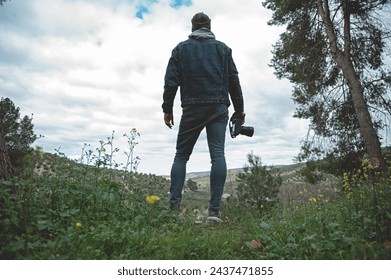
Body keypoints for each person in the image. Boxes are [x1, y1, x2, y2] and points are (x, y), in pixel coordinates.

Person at [162, 12, 246, 222]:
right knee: (217, 155)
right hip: (218, 107)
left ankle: (173, 208)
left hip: (192, 108)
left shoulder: (180, 49)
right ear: (209, 27)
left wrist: (167, 108)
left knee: (181, 156)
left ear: (192, 28)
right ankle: (214, 212)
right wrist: (239, 109)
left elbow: (171, 82)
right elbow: (234, 81)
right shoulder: (223, 50)